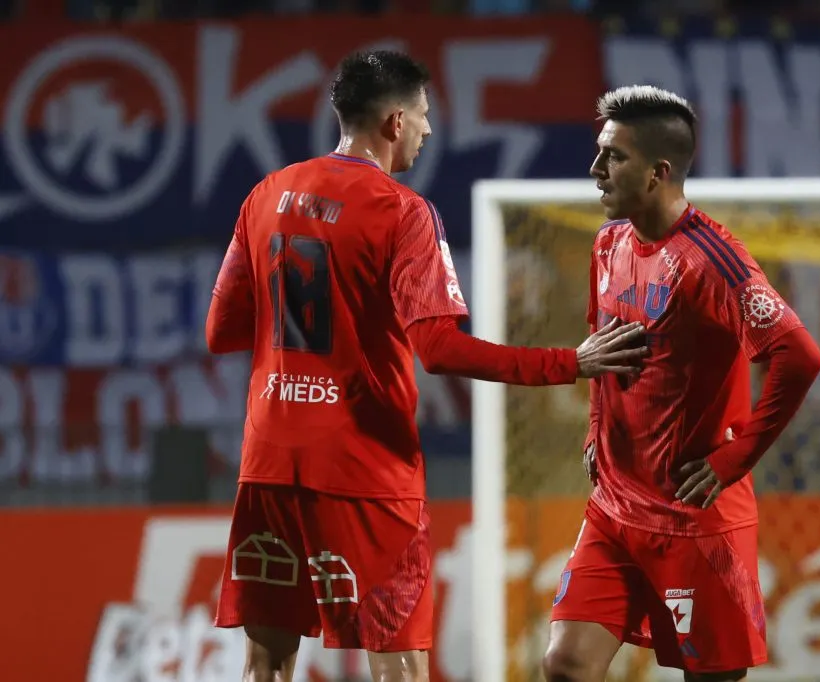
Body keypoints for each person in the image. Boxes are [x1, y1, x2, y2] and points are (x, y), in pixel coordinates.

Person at [205, 51, 649, 682]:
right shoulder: (401, 211)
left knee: (266, 663)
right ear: (393, 121)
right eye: (423, 114)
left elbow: (220, 331)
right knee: (399, 667)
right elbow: (439, 351)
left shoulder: (266, 195)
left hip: (270, 461)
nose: (428, 129)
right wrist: (568, 362)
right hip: (366, 470)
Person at [543, 85, 820, 682]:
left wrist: (735, 459)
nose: (595, 171)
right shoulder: (608, 244)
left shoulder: (711, 260)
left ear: (658, 171)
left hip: (695, 518)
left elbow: (799, 355)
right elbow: (601, 347)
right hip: (615, 507)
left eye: (612, 157)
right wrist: (597, 424)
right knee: (566, 664)